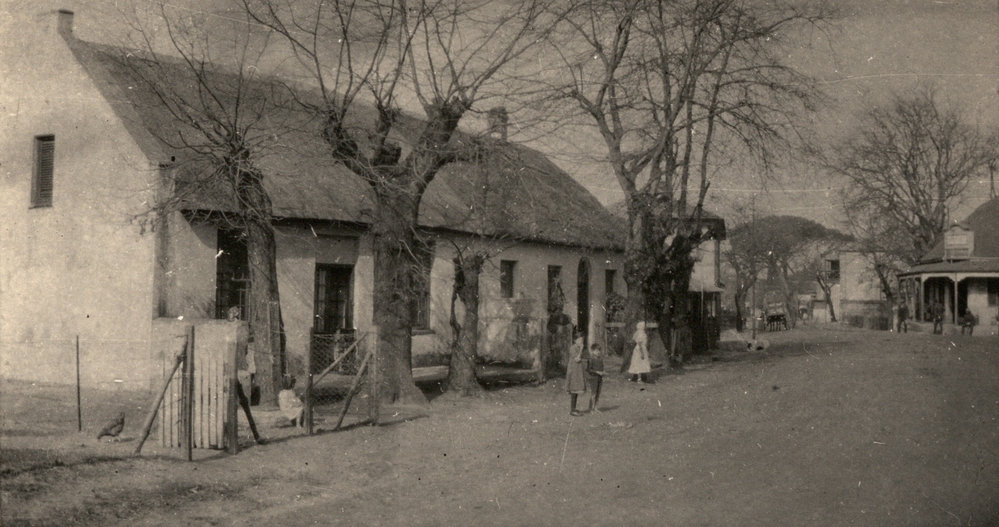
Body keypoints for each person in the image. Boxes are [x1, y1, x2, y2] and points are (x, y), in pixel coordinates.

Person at [229, 307, 264, 444]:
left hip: (237, 369)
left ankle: (255, 435)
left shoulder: (241, 329)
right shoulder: (235, 328)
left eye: (235, 313)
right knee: (239, 402)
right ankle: (254, 436)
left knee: (242, 400)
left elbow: (246, 350)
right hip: (232, 369)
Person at [566, 328, 587, 416]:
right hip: (573, 371)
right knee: (574, 389)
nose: (581, 341)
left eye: (582, 340)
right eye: (579, 340)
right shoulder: (573, 348)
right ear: (575, 340)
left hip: (578, 371)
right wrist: (581, 349)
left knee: (577, 389)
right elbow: (577, 359)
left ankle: (574, 408)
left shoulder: (578, 347)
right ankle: (572, 410)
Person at [585, 343, 606, 412]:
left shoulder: (600, 359)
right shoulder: (591, 359)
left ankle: (596, 407)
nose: (598, 352)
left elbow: (602, 367)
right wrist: (597, 372)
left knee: (598, 393)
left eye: (599, 350)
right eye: (596, 351)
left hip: (600, 378)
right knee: (593, 393)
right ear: (592, 351)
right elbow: (588, 369)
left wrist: (603, 372)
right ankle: (591, 408)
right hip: (593, 378)